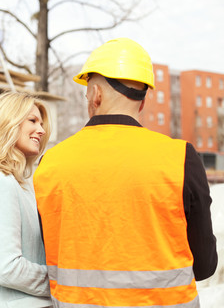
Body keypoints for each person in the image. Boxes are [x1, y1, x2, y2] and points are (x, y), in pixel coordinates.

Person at [34, 38, 217, 307]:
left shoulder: (51, 163)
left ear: (95, 94)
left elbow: (46, 251)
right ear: (142, 101)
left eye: (86, 93)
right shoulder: (181, 158)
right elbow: (205, 266)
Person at [0, 91, 52, 308]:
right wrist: (61, 281)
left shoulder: (17, 183)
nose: (41, 130)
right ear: (7, 124)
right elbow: (7, 268)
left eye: (41, 123)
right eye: (32, 121)